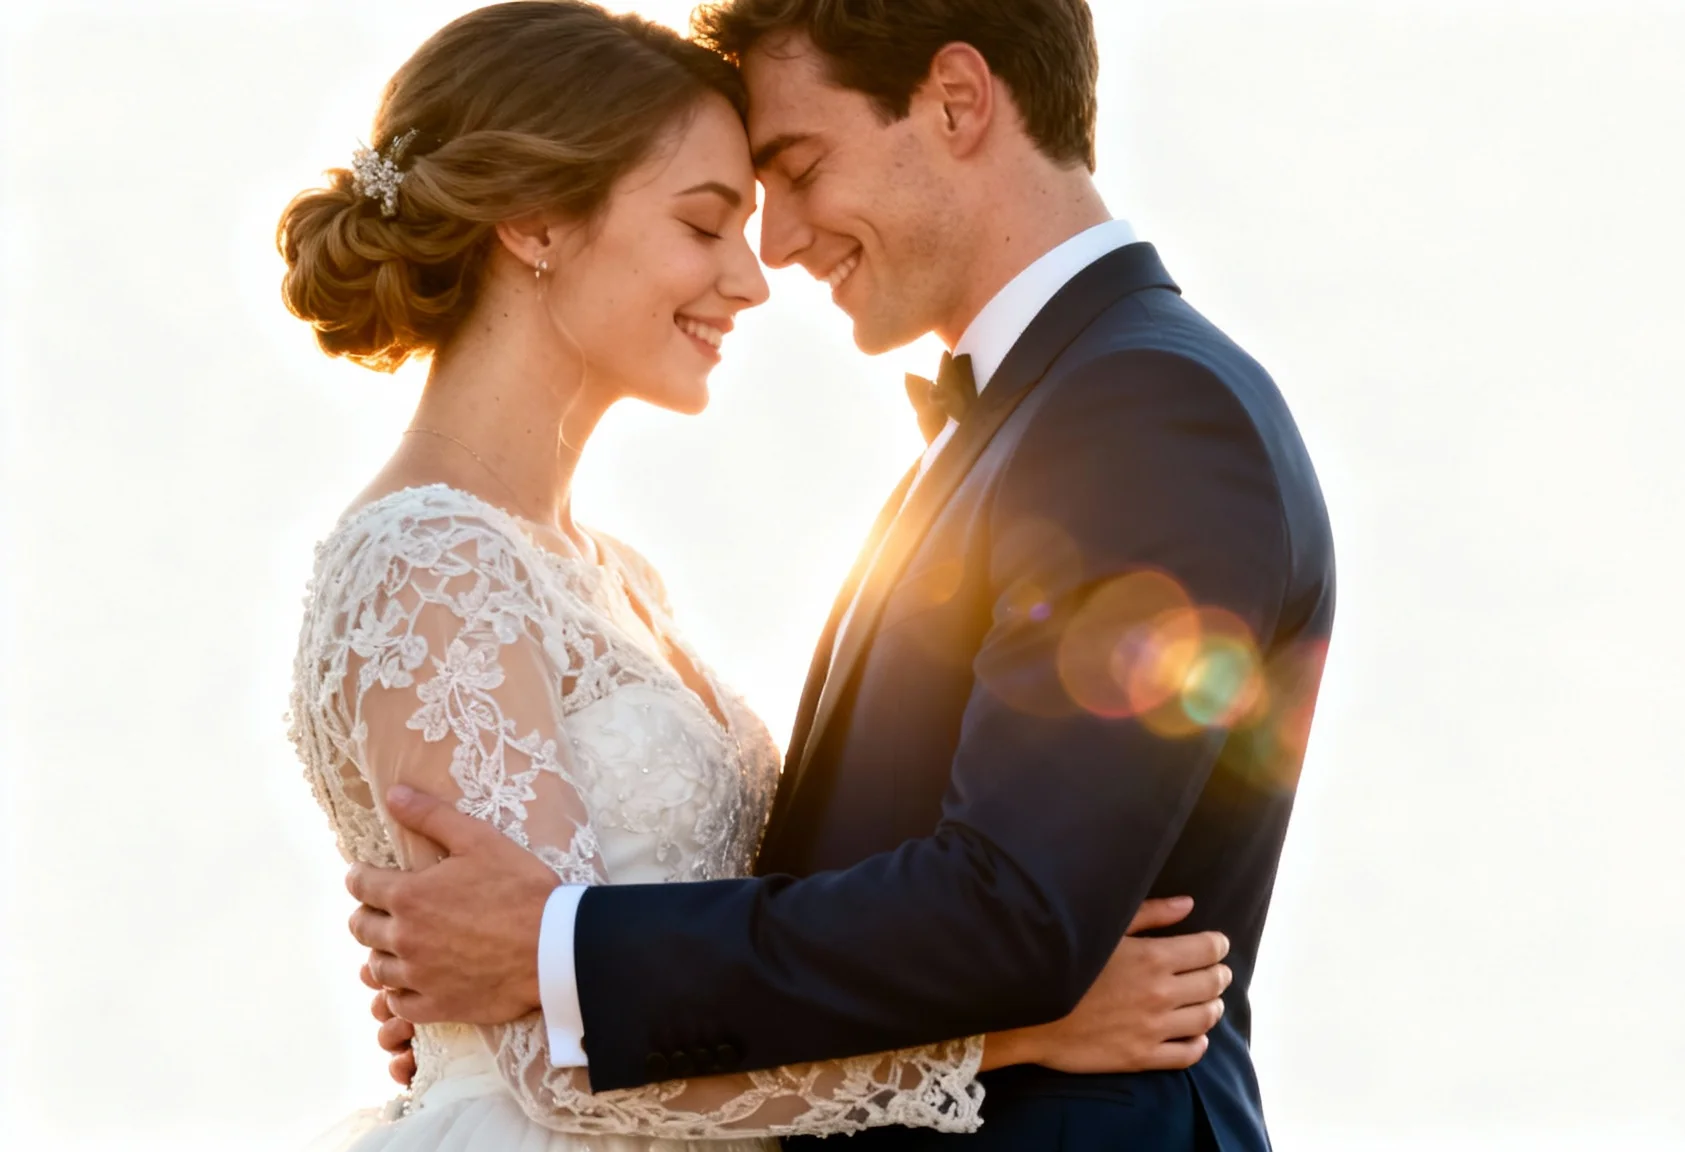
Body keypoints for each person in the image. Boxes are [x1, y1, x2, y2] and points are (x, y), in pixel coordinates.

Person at [281, 3, 1236, 1149]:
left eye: (772, 197)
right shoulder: (431, 565)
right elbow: (548, 1064)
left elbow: (554, 972)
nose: (754, 273)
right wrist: (1013, 1036)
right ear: (533, 223)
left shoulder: (618, 577)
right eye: (704, 224)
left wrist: (544, 965)